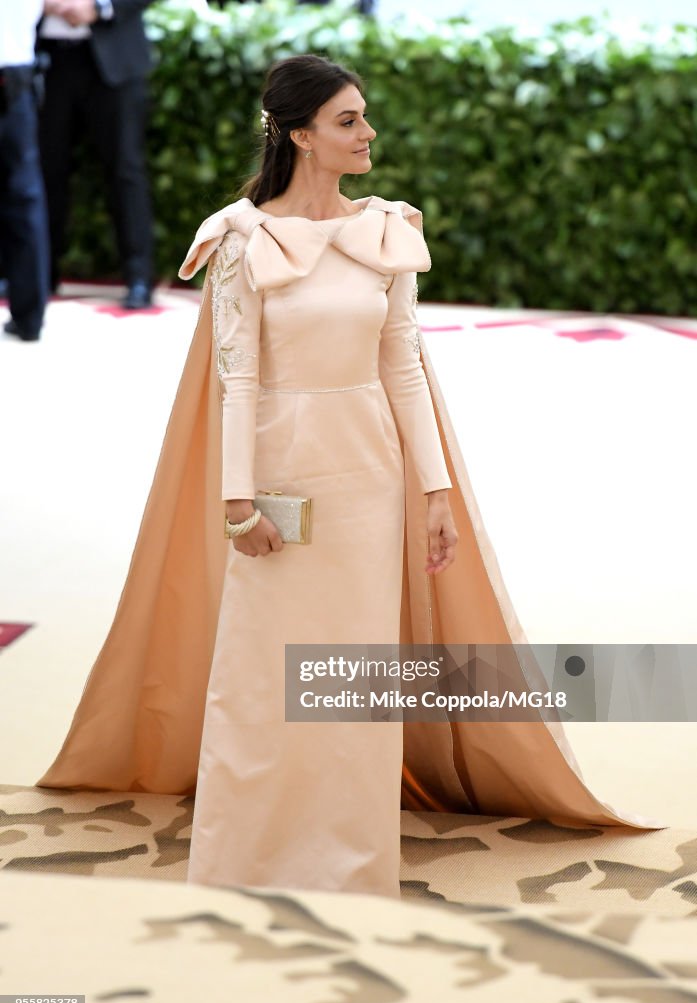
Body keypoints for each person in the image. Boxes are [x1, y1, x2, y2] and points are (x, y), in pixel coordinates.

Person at [35, 55, 660, 898]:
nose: (367, 134)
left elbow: (403, 366)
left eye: (364, 117)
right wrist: (234, 502)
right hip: (281, 470)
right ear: (299, 135)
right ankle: (248, 852)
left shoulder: (387, 230)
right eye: (347, 121)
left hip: (370, 470)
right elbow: (237, 377)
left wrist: (435, 492)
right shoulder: (240, 238)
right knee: (265, 670)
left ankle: (350, 857)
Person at [36, 0, 155, 309]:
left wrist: (100, 6)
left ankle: (138, 276)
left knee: (125, 170)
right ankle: (37, 273)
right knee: (45, 170)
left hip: (114, 58)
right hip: (45, 58)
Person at [0, 0, 50, 343]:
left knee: (24, 196)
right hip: (16, 75)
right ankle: (29, 316)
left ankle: (29, 315)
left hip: (15, 75)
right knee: (24, 196)